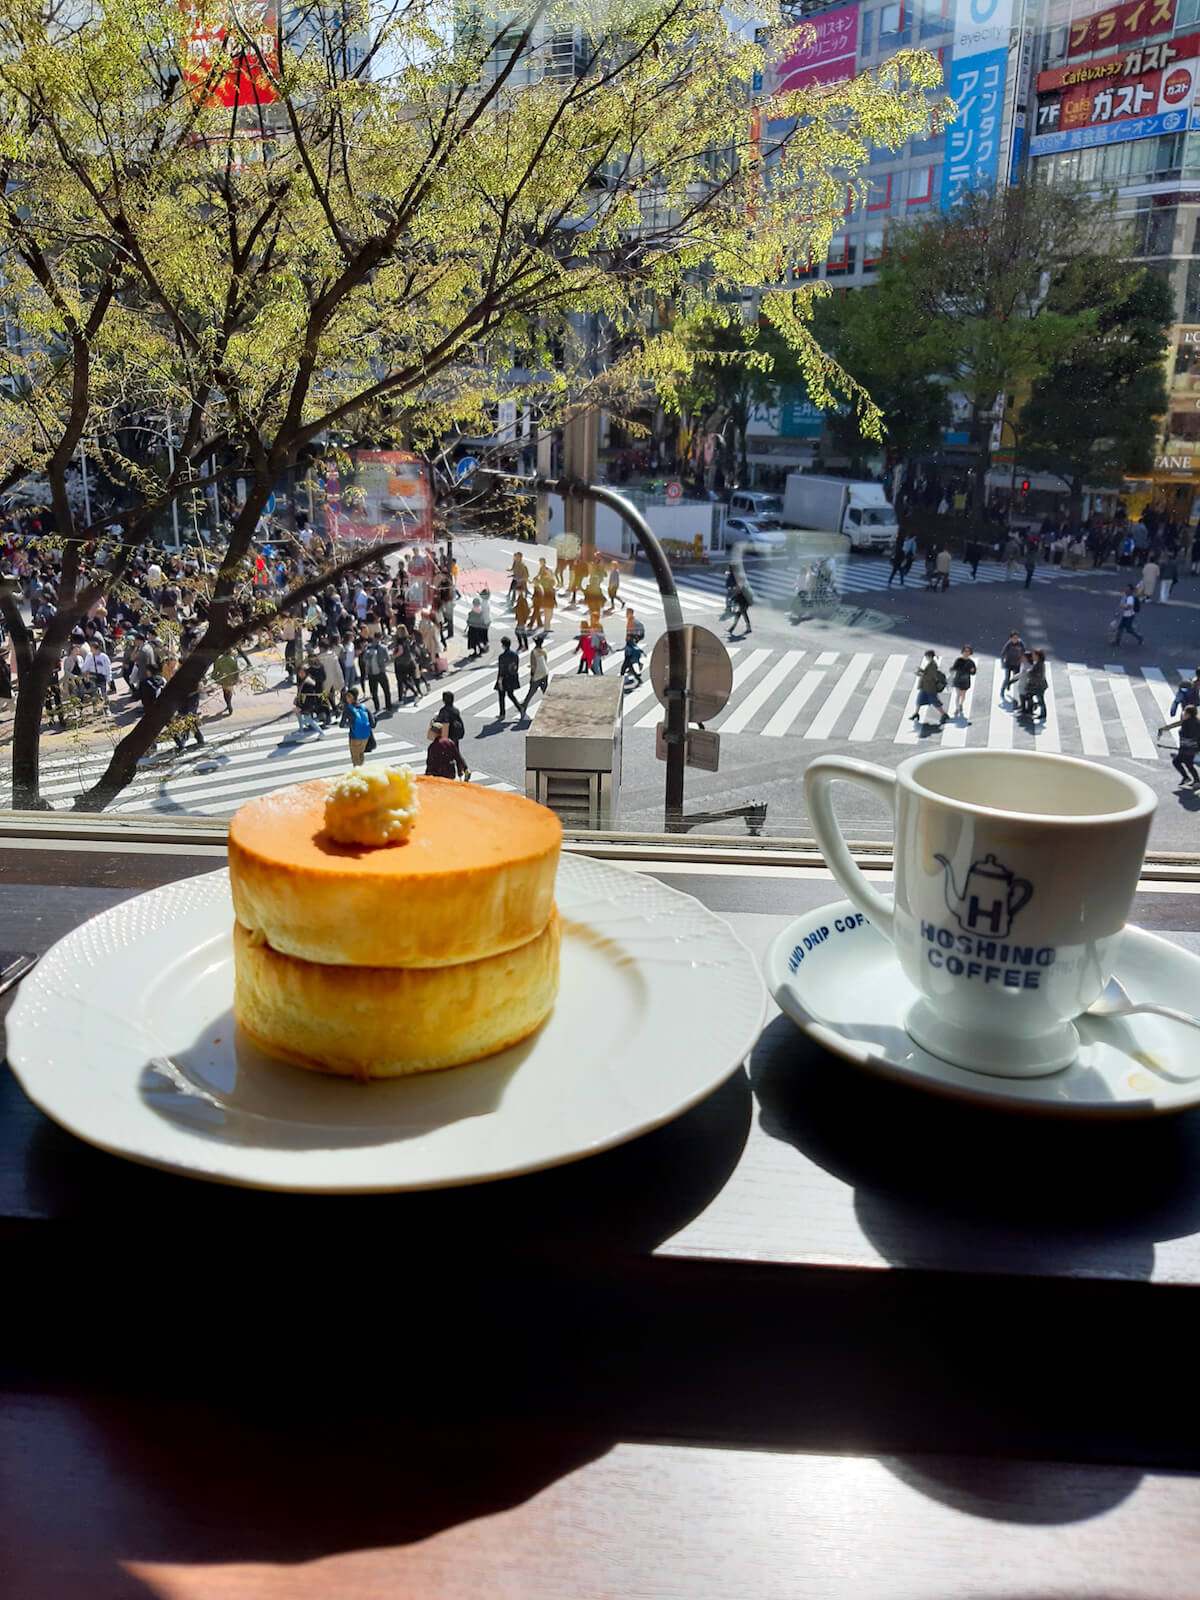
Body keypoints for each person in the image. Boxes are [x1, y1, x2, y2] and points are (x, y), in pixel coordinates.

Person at [1161, 705, 1200, 786]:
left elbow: (1191, 736)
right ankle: (1191, 779)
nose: (1183, 714)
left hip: (1189, 748)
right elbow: (1178, 724)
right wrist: (1166, 727)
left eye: (1185, 713)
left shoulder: (1191, 724)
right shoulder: (1190, 721)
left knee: (1180, 762)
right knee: (1184, 763)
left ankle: (1193, 780)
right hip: (1187, 748)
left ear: (1189, 714)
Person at [909, 650, 946, 726]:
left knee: (935, 701)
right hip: (925, 687)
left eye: (927, 656)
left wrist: (920, 674)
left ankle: (943, 714)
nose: (926, 658)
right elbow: (927, 673)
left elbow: (929, 677)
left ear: (930, 656)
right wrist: (921, 671)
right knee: (919, 700)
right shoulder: (931, 664)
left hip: (930, 687)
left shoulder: (933, 665)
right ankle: (916, 713)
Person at [341, 687, 373, 766]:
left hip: (354, 737)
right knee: (361, 755)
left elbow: (342, 724)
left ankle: (359, 775)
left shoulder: (348, 709)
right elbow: (372, 723)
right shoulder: (364, 707)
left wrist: (350, 724)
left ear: (350, 697)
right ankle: (361, 772)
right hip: (366, 736)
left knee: (355, 759)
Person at [362, 635, 392, 713]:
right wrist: (384, 665)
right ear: (380, 638)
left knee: (374, 691)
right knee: (386, 689)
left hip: (371, 673)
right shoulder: (383, 648)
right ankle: (388, 706)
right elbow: (388, 659)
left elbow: (364, 659)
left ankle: (377, 707)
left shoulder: (367, 648)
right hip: (381, 672)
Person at [494, 635, 522, 719]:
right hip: (512, 677)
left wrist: (499, 680)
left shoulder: (502, 657)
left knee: (501, 696)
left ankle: (502, 714)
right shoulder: (515, 655)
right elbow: (516, 667)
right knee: (510, 694)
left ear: (504, 645)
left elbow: (501, 669)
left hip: (504, 678)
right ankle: (520, 708)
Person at [522, 638, 550, 715]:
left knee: (531, 691)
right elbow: (545, 660)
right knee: (545, 691)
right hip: (545, 672)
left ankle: (524, 705)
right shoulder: (544, 651)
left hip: (537, 673)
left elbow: (533, 665)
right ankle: (550, 705)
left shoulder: (533, 652)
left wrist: (532, 675)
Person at [293, 665, 324, 735]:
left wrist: (301, 708)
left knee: (308, 719)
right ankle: (301, 730)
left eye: (302, 672)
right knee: (298, 714)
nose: (300, 674)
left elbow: (309, 699)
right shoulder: (304, 680)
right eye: (299, 672)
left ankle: (321, 732)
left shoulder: (308, 683)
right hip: (305, 704)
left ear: (305, 673)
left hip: (308, 705)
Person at [948, 645, 975, 720]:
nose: (966, 653)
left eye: (968, 651)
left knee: (963, 694)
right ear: (962, 652)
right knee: (958, 694)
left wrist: (972, 671)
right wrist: (952, 669)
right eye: (965, 651)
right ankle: (957, 707)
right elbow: (954, 667)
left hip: (966, 680)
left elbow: (973, 672)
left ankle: (961, 704)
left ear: (970, 653)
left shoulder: (971, 662)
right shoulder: (958, 660)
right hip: (958, 679)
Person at [211, 647, 239, 715]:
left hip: (223, 679)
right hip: (231, 679)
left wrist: (214, 677)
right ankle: (229, 704)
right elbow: (237, 670)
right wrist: (237, 678)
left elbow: (215, 670)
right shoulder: (233, 659)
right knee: (229, 692)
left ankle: (228, 704)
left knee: (225, 692)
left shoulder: (219, 659)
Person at [1025, 649, 1049, 721]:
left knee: (1040, 700)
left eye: (1034, 655)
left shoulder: (1039, 664)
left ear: (1037, 656)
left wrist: (1029, 672)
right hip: (1040, 685)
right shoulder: (1039, 663)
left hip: (1039, 686)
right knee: (1034, 697)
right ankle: (1034, 707)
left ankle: (1042, 714)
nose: (1033, 656)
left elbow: (1037, 675)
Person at [999, 631, 1025, 697]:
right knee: (1007, 678)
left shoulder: (1020, 643)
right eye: (1013, 638)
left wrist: (1024, 660)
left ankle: (1009, 684)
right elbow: (1002, 654)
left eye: (1016, 638)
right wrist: (1002, 663)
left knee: (1016, 678)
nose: (1015, 639)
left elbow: (1023, 652)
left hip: (1017, 664)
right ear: (1011, 638)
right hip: (1008, 663)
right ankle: (1002, 690)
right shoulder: (1009, 644)